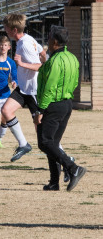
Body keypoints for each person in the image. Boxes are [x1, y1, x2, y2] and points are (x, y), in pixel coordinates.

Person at [34, 25, 86, 192]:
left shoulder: (55, 61)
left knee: (45, 142)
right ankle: (54, 182)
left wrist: (40, 110)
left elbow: (49, 88)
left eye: (49, 37)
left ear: (55, 41)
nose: (47, 40)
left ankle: (73, 168)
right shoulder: (72, 58)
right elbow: (76, 82)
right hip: (67, 103)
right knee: (53, 143)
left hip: (53, 105)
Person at [1, 13, 46, 162]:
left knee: (43, 134)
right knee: (6, 111)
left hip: (33, 91)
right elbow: (42, 52)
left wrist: (21, 64)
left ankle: (65, 161)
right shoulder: (27, 39)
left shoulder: (25, 43)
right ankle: (24, 144)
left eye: (6, 27)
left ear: (14, 30)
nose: (4, 30)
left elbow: (39, 66)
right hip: (23, 88)